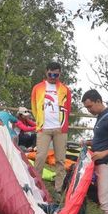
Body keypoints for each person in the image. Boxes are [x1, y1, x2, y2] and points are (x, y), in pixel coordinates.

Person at [31, 61, 72, 196]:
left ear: (59, 74)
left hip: (60, 129)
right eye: (50, 74)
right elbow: (34, 107)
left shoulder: (65, 89)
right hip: (44, 128)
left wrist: (64, 124)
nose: (53, 77)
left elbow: (68, 108)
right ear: (46, 72)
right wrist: (39, 122)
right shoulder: (38, 88)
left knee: (60, 159)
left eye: (56, 74)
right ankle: (36, 186)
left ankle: (58, 189)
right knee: (40, 157)